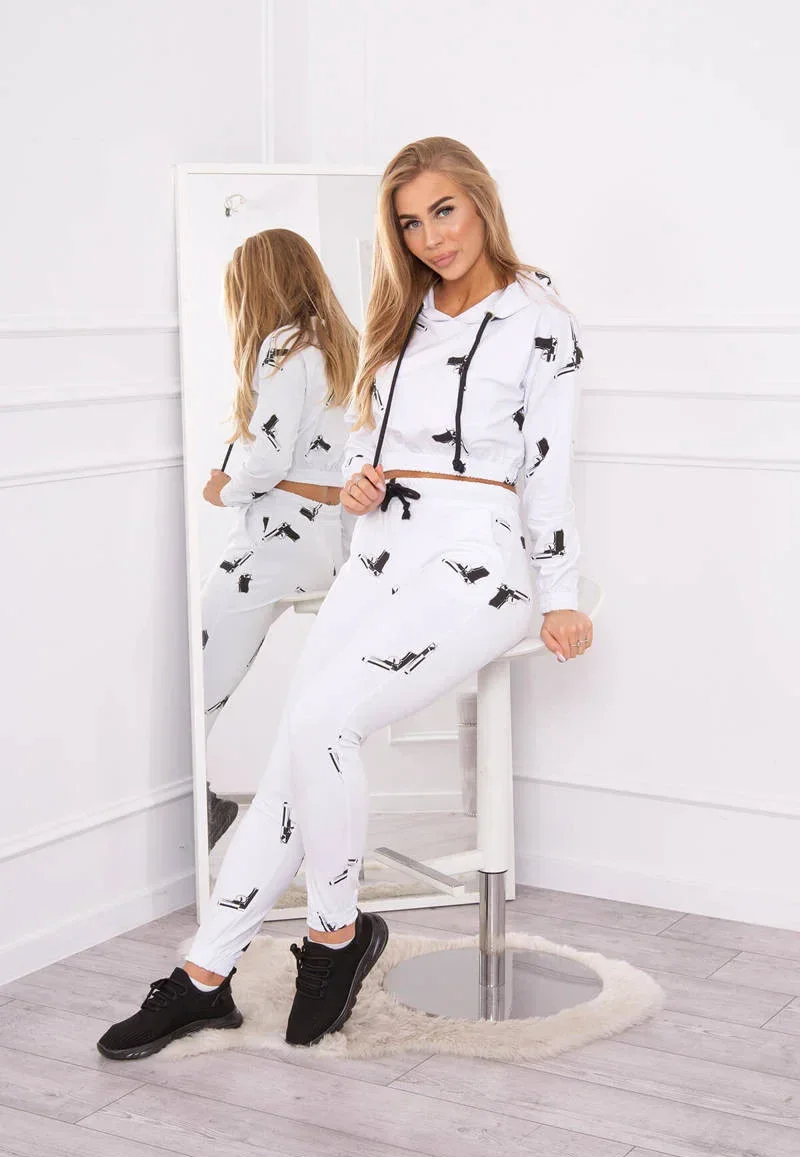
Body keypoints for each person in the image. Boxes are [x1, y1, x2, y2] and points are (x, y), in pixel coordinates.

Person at [96, 136, 593, 1061]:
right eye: (410, 223)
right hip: (377, 551)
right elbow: (366, 439)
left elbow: (549, 468)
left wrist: (560, 593)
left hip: (476, 556)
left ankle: (335, 935)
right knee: (298, 748)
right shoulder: (400, 319)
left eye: (444, 211)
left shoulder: (540, 319)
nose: (431, 237)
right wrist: (360, 480)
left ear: (480, 201)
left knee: (322, 722)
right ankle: (204, 977)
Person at [199, 230, 358, 850]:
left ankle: (188, 804)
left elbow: (266, 460)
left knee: (198, 670)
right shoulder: (340, 343)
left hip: (274, 541)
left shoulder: (284, 347)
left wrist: (225, 491)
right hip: (328, 541)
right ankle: (207, 803)